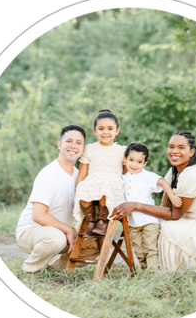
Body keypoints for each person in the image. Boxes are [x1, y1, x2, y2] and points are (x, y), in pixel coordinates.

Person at [112, 131, 196, 271]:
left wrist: (136, 205)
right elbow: (165, 207)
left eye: (181, 147)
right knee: (158, 223)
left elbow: (175, 214)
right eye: (171, 146)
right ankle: (149, 267)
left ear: (191, 152)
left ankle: (167, 270)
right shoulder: (174, 171)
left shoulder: (193, 173)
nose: (174, 151)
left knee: (167, 228)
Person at [16, 125, 100, 273]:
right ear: (60, 145)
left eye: (78, 143)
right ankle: (29, 270)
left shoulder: (78, 176)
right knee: (56, 238)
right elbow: (38, 215)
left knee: (95, 242)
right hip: (31, 232)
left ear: (83, 149)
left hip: (60, 233)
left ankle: (56, 268)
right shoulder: (48, 174)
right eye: (69, 141)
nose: (73, 146)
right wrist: (68, 230)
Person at [122, 142, 182, 271]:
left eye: (139, 162)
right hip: (132, 223)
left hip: (149, 221)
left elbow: (162, 181)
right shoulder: (122, 178)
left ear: (144, 164)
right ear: (125, 159)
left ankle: (153, 274)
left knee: (150, 248)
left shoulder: (147, 176)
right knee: (138, 250)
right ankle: (146, 271)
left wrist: (171, 196)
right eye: (131, 160)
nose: (134, 164)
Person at [73, 108, 126, 236]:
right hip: (92, 181)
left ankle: (102, 220)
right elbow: (82, 174)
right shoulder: (90, 149)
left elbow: (126, 172)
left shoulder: (122, 150)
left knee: (105, 185)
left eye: (110, 128)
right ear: (95, 131)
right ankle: (91, 220)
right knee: (82, 186)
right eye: (101, 129)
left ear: (117, 131)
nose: (105, 132)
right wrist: (77, 192)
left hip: (113, 183)